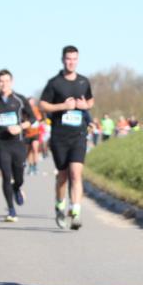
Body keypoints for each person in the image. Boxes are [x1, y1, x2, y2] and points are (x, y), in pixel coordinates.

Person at [40, 46, 94, 230]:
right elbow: (43, 105)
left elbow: (90, 101)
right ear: (63, 60)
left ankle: (76, 211)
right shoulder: (54, 83)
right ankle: (60, 205)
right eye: (68, 59)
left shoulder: (83, 81)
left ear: (78, 60)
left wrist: (84, 105)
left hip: (78, 135)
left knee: (76, 174)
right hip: (59, 137)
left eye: (74, 59)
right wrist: (63, 106)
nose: (71, 62)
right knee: (62, 176)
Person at [0, 69, 35, 222]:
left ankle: (17, 187)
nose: (3, 84)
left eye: (6, 81)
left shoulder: (20, 99)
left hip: (18, 142)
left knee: (18, 175)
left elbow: (32, 118)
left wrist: (20, 127)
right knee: (6, 176)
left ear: (11, 82)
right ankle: (11, 210)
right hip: (1, 144)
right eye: (1, 81)